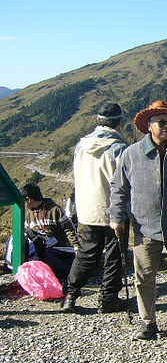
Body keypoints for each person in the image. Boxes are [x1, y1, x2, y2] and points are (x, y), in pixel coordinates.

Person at [108, 100, 167, 340]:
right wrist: (117, 217)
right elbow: (119, 188)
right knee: (144, 278)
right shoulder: (131, 155)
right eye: (162, 122)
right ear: (149, 125)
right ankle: (148, 322)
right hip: (144, 227)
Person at [61, 103, 129, 313]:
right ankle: (108, 299)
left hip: (87, 210)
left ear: (97, 121)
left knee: (86, 255)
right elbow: (126, 181)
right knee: (114, 256)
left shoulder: (80, 146)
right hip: (113, 211)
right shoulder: (119, 148)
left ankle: (70, 295)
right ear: (119, 123)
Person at [20, 183, 80, 280]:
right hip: (42, 249)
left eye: (24, 201)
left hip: (62, 248)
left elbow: (69, 229)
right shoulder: (29, 215)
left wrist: (76, 247)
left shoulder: (55, 210)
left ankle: (72, 277)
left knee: (46, 256)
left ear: (28, 199)